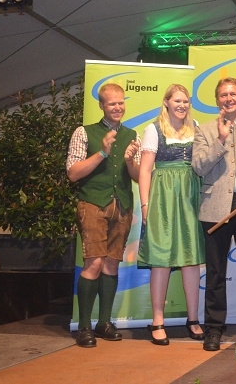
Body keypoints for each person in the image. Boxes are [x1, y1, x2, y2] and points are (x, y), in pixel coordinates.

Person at [192, 78, 236, 351]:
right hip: (215, 209)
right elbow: (199, 167)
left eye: (233, 94)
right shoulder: (205, 130)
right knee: (215, 271)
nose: (228, 98)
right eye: (223, 95)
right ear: (217, 100)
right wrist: (221, 139)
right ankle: (213, 329)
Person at [66, 83, 141, 348]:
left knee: (111, 264)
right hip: (92, 204)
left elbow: (137, 176)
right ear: (101, 105)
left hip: (122, 205)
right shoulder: (83, 132)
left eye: (121, 102)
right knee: (94, 263)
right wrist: (102, 152)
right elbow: (73, 173)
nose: (117, 107)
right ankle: (84, 326)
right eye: (112, 103)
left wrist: (130, 161)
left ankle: (104, 323)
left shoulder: (132, 135)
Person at [137, 84, 205, 346]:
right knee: (161, 258)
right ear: (166, 102)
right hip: (163, 195)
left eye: (185, 101)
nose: (182, 105)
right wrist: (145, 205)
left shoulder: (195, 126)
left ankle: (193, 319)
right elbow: (145, 170)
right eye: (177, 101)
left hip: (189, 195)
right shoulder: (153, 129)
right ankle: (157, 320)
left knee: (190, 257)